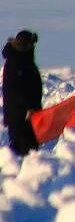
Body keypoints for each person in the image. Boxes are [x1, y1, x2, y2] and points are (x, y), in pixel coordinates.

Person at [2, 30, 42, 158]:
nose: (33, 47)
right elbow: (16, 90)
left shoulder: (23, 61)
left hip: (27, 116)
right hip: (20, 118)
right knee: (26, 153)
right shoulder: (16, 62)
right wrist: (28, 108)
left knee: (29, 151)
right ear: (25, 44)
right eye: (31, 43)